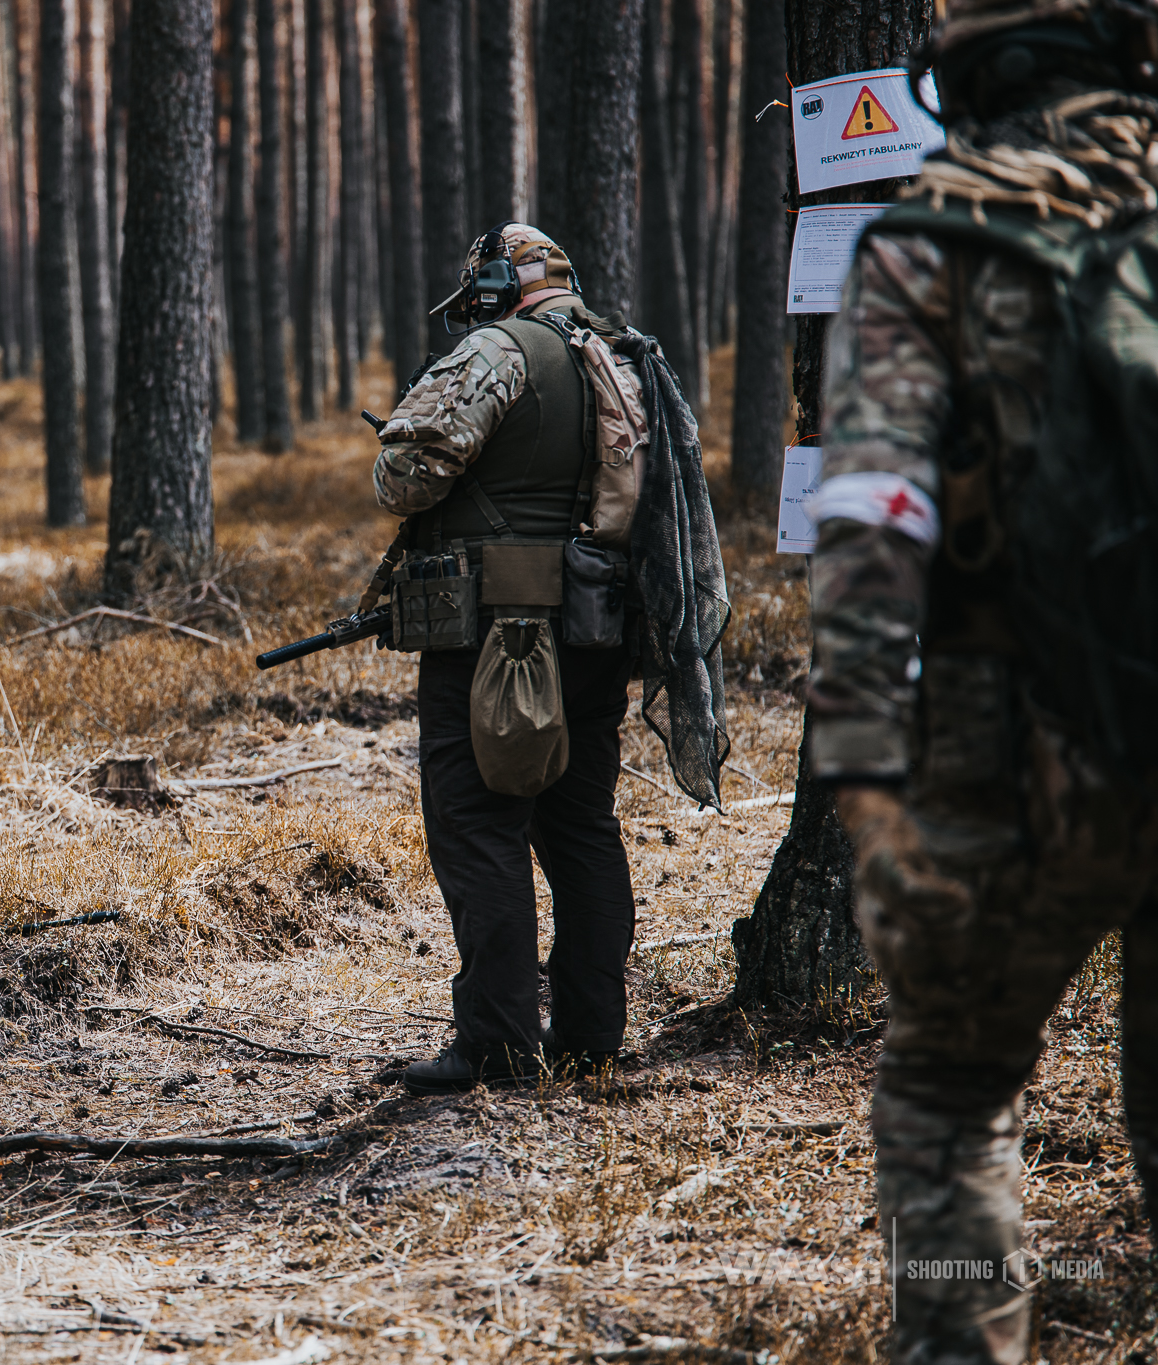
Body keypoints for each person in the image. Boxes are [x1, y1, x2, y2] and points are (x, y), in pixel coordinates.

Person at [813, 3, 1158, 1359]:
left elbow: (872, 510)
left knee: (951, 1095)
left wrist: (857, 759)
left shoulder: (926, 247)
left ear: (958, 86)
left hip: (1009, 760)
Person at [368, 224, 727, 1093]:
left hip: (492, 637)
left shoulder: (500, 350)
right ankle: (592, 1037)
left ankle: (494, 1045)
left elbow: (405, 477)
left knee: (478, 823)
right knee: (580, 827)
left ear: (498, 283)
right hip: (598, 631)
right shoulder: (627, 356)